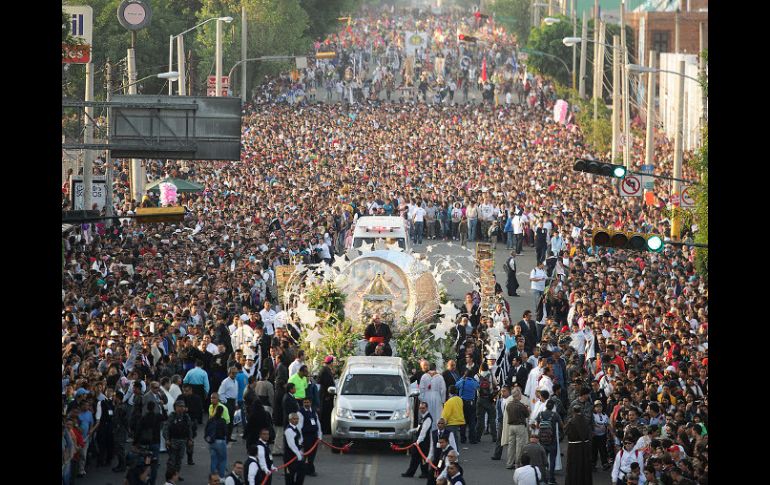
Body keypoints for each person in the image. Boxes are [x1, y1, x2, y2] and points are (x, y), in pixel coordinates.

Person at [162, 400, 194, 481]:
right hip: (173, 441)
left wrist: (190, 439)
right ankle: (169, 477)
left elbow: (190, 429)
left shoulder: (186, 417)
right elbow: (166, 428)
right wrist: (167, 439)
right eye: (179, 406)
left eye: (183, 406)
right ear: (175, 407)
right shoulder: (172, 416)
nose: (181, 408)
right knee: (171, 461)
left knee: (179, 460)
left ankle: (176, 474)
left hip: (183, 441)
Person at [402, 401, 433, 478]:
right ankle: (410, 473)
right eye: (420, 408)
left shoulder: (428, 418)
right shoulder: (422, 417)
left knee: (423, 458)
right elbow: (419, 428)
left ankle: (424, 473)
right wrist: (413, 430)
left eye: (423, 408)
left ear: (427, 408)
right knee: (415, 457)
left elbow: (423, 432)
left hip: (423, 442)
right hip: (419, 441)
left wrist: (418, 442)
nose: (421, 409)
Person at [536, 399, 563, 485]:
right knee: (552, 460)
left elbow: (537, 425)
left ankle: (543, 478)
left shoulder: (540, 414)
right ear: (553, 407)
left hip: (542, 441)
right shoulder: (555, 415)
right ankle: (551, 478)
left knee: (543, 460)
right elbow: (562, 425)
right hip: (552, 441)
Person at [565, 404, 593, 485]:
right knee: (585, 467)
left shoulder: (571, 421)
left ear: (573, 411)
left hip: (574, 448)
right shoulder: (586, 420)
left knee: (574, 468)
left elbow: (566, 431)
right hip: (585, 447)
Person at [505, 386, 530, 470]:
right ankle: (517, 463)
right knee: (519, 445)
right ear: (518, 395)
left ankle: (509, 463)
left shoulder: (509, 405)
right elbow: (527, 415)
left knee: (511, 446)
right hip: (520, 426)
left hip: (511, 426)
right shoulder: (521, 405)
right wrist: (527, 409)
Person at [298, 397, 323, 476]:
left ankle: (308, 469)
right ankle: (309, 470)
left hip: (314, 437)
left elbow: (318, 424)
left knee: (312, 454)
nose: (306, 404)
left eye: (308, 402)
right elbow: (299, 427)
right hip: (306, 437)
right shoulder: (300, 413)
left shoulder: (314, 412)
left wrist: (319, 436)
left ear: (311, 403)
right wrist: (300, 440)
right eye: (305, 402)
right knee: (307, 454)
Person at [454, 370, 479, 444]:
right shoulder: (473, 382)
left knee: (463, 421)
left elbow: (456, 385)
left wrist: (462, 378)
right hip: (471, 402)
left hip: (463, 403)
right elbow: (478, 386)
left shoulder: (462, 381)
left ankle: (463, 439)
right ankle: (472, 439)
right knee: (472, 422)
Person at [419, 363, 446, 430]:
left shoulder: (424, 376)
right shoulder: (440, 377)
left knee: (428, 413)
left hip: (426, 397)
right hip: (437, 397)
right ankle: (436, 430)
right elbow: (443, 390)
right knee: (437, 414)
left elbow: (421, 388)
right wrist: (443, 401)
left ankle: (427, 430)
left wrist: (422, 399)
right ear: (435, 368)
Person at [475, 362, 497, 443]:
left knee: (480, 419)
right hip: (489, 399)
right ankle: (494, 437)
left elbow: (475, 387)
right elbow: (496, 384)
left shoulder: (477, 376)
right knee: (492, 419)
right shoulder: (491, 375)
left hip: (480, 399)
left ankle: (477, 437)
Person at [207, 405, 228, 479]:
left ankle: (213, 477)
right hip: (220, 441)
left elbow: (206, 430)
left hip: (211, 442)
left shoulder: (210, 420)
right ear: (222, 412)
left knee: (213, 459)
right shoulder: (222, 421)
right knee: (222, 459)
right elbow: (225, 432)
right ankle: (221, 477)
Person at [283, 413, 305, 485]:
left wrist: (300, 450)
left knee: (301, 473)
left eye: (297, 419)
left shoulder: (296, 428)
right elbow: (291, 445)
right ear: (290, 420)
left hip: (297, 456)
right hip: (290, 457)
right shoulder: (289, 430)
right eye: (294, 419)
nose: (296, 420)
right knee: (290, 477)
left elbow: (299, 440)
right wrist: (298, 454)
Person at [318, 356, 336, 434]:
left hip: (326, 394)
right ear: (331, 363)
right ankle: (325, 429)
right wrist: (328, 395)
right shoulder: (325, 371)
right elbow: (327, 384)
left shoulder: (325, 370)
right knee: (325, 412)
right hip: (326, 395)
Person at [592, 399, 611, 471]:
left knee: (603, 450)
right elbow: (592, 423)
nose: (599, 408)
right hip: (594, 436)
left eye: (600, 406)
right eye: (597, 407)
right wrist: (598, 426)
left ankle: (604, 464)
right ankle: (593, 464)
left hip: (602, 435)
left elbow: (608, 424)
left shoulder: (604, 415)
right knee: (594, 450)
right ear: (594, 408)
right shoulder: (593, 415)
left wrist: (611, 434)